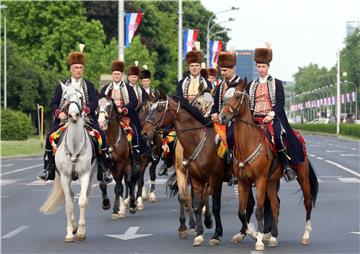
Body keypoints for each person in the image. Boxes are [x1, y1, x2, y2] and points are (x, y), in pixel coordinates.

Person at [38, 51, 112, 183]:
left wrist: (87, 109)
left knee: (101, 136)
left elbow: (95, 101)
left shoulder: (88, 85)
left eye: (80, 68)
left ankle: (103, 170)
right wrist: (59, 113)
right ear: (71, 69)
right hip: (64, 120)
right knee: (50, 136)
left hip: (85, 119)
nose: (78, 70)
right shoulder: (62, 86)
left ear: (83, 69)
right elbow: (53, 103)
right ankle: (48, 169)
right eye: (75, 68)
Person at [246, 46, 301, 182]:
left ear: (268, 67)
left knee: (278, 137)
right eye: (258, 66)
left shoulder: (277, 84)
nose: (261, 69)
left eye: (263, 66)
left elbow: (280, 103)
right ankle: (239, 170)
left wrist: (271, 114)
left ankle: (286, 166)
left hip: (271, 118)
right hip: (255, 119)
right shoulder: (251, 85)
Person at [210, 51, 242, 185]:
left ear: (232, 69)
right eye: (221, 70)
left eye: (225, 70)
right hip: (220, 122)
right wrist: (213, 112)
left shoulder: (241, 84)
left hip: (236, 122)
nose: (222, 73)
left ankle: (232, 171)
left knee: (229, 138)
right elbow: (214, 103)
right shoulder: (220, 86)